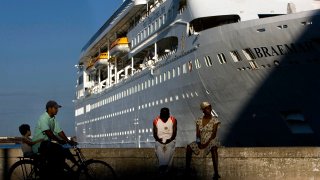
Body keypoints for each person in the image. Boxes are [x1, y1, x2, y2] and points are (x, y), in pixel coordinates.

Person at [32, 100, 77, 179]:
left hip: (46, 144)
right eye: (55, 108)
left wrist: (68, 140)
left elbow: (59, 131)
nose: (57, 110)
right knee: (59, 150)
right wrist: (59, 140)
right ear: (49, 108)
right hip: (39, 144)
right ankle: (55, 171)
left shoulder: (53, 119)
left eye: (57, 108)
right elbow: (48, 132)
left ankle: (58, 170)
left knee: (62, 150)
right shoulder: (43, 118)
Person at [186, 102, 221, 179]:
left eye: (210, 108)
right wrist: (198, 143)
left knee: (214, 148)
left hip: (211, 139)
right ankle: (187, 170)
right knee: (189, 147)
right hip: (201, 140)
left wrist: (206, 143)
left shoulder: (215, 120)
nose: (210, 110)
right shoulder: (199, 120)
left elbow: (214, 134)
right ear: (203, 110)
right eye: (207, 108)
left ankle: (216, 172)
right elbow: (198, 133)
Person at [153, 107, 177, 175]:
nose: (164, 116)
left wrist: (169, 140)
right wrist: (159, 140)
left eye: (165, 114)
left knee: (169, 148)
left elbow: (174, 133)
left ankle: (162, 169)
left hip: (170, 140)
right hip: (159, 140)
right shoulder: (155, 120)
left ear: (168, 114)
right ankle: (165, 170)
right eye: (163, 114)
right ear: (160, 114)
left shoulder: (173, 120)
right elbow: (154, 134)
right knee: (159, 148)